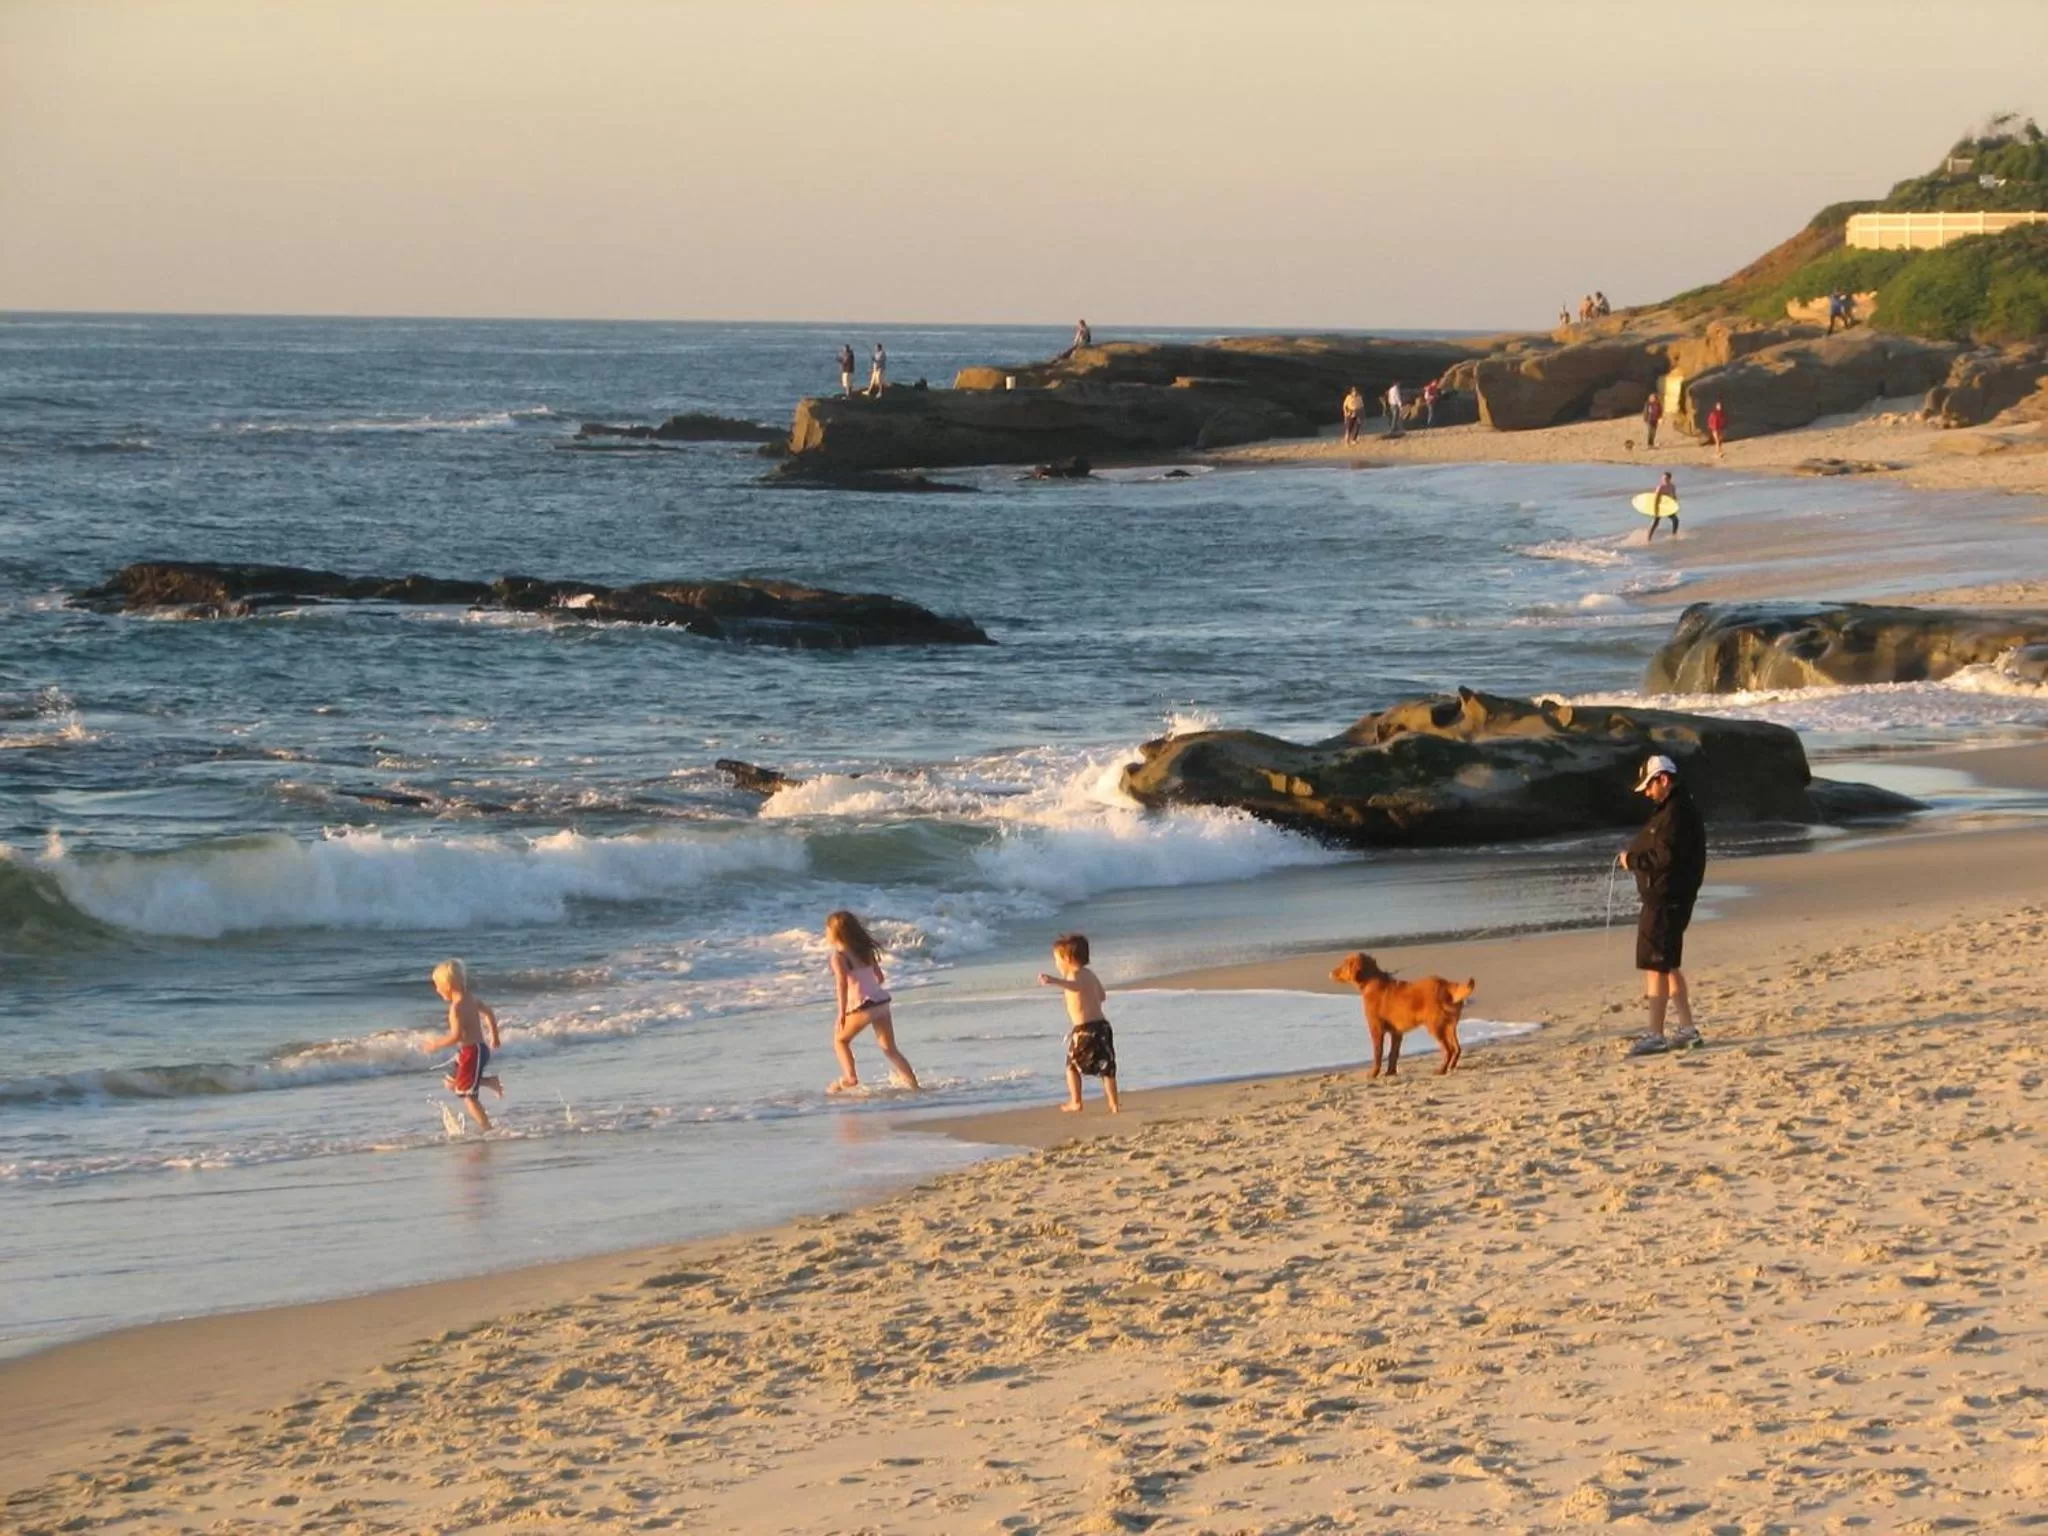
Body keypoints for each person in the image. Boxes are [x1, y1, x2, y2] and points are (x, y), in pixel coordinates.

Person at [1617, 755, 1707, 1056]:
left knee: (1655, 964)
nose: (1646, 792)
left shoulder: (1676, 814)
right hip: (1669, 897)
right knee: (1667, 964)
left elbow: (1665, 858)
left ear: (1664, 779)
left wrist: (1633, 861)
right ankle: (1687, 1029)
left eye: (1649, 785)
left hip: (1666, 898)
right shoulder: (1673, 809)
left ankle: (1655, 1034)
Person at [824, 909, 919, 1093]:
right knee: (890, 1048)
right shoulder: (865, 950)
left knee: (840, 1041)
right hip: (881, 1001)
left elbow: (841, 985)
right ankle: (914, 1086)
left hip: (863, 1005)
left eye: (827, 929)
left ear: (835, 932)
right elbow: (880, 977)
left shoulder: (839, 957)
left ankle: (850, 1078)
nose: (826, 932)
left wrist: (841, 1014)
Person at [1039, 932, 1119, 1114]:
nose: (1056, 964)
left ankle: (1076, 1101)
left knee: (1071, 1066)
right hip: (1102, 1027)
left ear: (1068, 959)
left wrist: (1053, 981)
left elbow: (1075, 986)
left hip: (1085, 1030)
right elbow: (1102, 996)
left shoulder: (1073, 977)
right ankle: (1113, 1104)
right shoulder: (1090, 974)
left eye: (1057, 960)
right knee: (1107, 1067)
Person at [422, 959, 502, 1130]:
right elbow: (489, 1013)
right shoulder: (471, 998)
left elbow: (456, 1035)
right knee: (451, 1082)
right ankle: (489, 1082)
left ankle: (486, 1128)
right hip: (476, 1050)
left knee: (468, 1096)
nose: (436, 990)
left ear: (448, 986)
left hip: (471, 1053)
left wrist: (436, 1044)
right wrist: (494, 1037)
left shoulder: (456, 1008)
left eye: (437, 986)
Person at [1645, 470, 1679, 541]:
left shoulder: (1672, 486)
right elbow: (1656, 500)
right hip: (1659, 506)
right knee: (1656, 522)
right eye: (1663, 478)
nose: (1664, 480)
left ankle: (1674, 535)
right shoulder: (1660, 487)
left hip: (1666, 506)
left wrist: (1675, 507)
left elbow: (1674, 497)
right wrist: (1656, 511)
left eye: (1666, 478)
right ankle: (1649, 538)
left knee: (1675, 520)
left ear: (1670, 479)